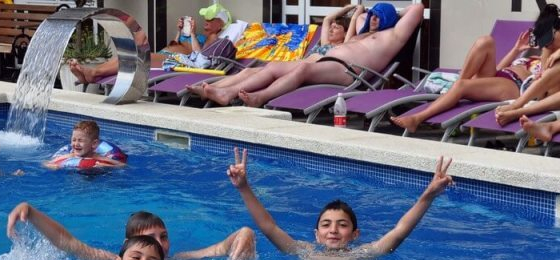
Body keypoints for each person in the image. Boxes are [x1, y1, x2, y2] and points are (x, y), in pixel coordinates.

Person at [226, 148, 453, 260]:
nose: (333, 230)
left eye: (342, 225)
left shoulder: (362, 254)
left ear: (355, 234)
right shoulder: (303, 251)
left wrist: (428, 195)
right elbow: (269, 227)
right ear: (316, 234)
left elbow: (400, 231)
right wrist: (244, 187)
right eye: (326, 225)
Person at [189, 2, 423, 108]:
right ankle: (221, 90)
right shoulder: (362, 34)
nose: (373, 20)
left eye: (379, 17)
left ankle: (260, 97)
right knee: (270, 67)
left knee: (303, 68)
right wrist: (370, 12)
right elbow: (360, 16)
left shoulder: (392, 36)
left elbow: (418, 8)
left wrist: (392, 14)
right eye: (373, 15)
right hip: (327, 62)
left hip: (349, 72)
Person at [392, 6, 560, 133]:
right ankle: (454, 91)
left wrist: (552, 50)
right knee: (485, 41)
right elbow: (499, 69)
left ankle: (417, 118)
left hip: (515, 86)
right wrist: (516, 50)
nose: (547, 44)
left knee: (462, 86)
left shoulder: (551, 57)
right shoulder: (534, 54)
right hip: (501, 75)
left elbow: (544, 79)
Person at [186, 3, 359, 103]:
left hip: (305, 70)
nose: (331, 29)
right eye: (332, 27)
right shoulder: (326, 43)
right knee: (248, 71)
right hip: (294, 66)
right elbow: (327, 19)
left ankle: (223, 93)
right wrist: (348, 7)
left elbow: (351, 26)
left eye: (337, 28)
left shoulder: (344, 47)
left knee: (265, 71)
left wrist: (357, 11)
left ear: (345, 33)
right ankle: (211, 89)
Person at [6, 204, 256, 260]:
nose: (159, 244)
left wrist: (244, 233)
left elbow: (219, 248)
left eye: (163, 236)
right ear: (127, 246)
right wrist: (32, 213)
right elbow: (68, 242)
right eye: (150, 238)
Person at [67, 3, 232, 84]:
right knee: (129, 56)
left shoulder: (214, 39)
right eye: (206, 18)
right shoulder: (203, 36)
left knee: (135, 57)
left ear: (221, 23)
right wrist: (180, 32)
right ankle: (92, 73)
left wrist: (193, 34)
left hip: (176, 61)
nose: (206, 22)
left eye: (211, 19)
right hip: (167, 55)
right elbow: (176, 44)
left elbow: (200, 57)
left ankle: (93, 73)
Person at [493, 4, 560, 126]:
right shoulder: (548, 49)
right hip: (547, 96)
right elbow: (542, 93)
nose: (548, 45)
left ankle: (518, 110)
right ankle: (517, 106)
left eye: (550, 39)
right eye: (545, 43)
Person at [44, 120, 127, 170]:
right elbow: (46, 162)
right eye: (74, 140)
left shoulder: (98, 157)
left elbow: (122, 165)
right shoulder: (70, 156)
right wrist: (52, 166)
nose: (76, 144)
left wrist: (107, 166)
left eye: (80, 140)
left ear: (94, 143)